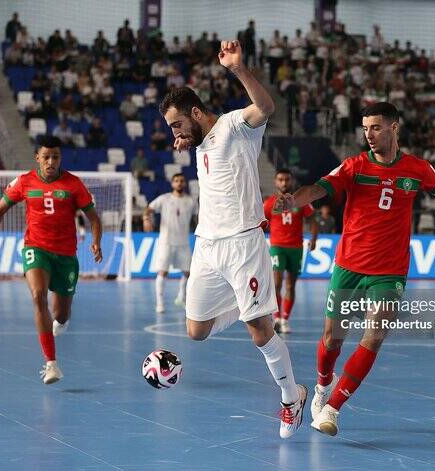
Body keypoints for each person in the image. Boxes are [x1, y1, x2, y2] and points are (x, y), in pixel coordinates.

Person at [275, 102, 435, 436]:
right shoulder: (355, 166)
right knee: (333, 339)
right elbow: (319, 187)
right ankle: (320, 389)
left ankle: (332, 409)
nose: (369, 135)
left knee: (373, 337)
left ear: (395, 127)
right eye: (365, 128)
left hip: (390, 272)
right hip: (349, 266)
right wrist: (295, 200)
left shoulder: (418, 169)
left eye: (375, 127)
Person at [159, 40, 307, 439]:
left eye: (177, 125)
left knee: (260, 331)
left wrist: (239, 69)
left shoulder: (234, 126)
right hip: (207, 246)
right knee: (196, 331)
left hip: (244, 244)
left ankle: (291, 396)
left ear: (194, 112)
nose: (175, 133)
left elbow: (266, 108)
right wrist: (185, 140)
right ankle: (250, 309)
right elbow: (203, 152)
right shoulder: (199, 143)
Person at [0, 136, 103, 384]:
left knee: (62, 314)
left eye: (55, 157)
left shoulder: (74, 184)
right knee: (38, 296)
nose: (50, 162)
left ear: (60, 158)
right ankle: (51, 365)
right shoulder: (24, 182)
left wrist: (96, 241)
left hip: (66, 255)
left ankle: (60, 322)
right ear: (37, 157)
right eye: (45, 157)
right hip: (36, 248)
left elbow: (93, 218)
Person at [263, 169, 318, 334]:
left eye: (287, 179)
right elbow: (261, 223)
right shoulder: (270, 203)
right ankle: (277, 318)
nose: (284, 183)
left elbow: (312, 220)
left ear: (291, 181)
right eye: (280, 180)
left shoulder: (300, 201)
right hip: (278, 247)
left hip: (296, 248)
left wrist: (314, 239)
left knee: (290, 285)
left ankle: (285, 319)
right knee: (277, 283)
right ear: (275, 182)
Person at [143, 174, 198, 313]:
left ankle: (182, 297)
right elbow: (148, 209)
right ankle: (160, 304)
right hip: (166, 242)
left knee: (188, 273)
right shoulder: (164, 199)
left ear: (184, 183)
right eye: (176, 181)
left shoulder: (191, 201)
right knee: (163, 272)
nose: (179, 183)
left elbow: (199, 218)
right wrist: (146, 219)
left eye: (181, 181)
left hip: (183, 242)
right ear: (172, 184)